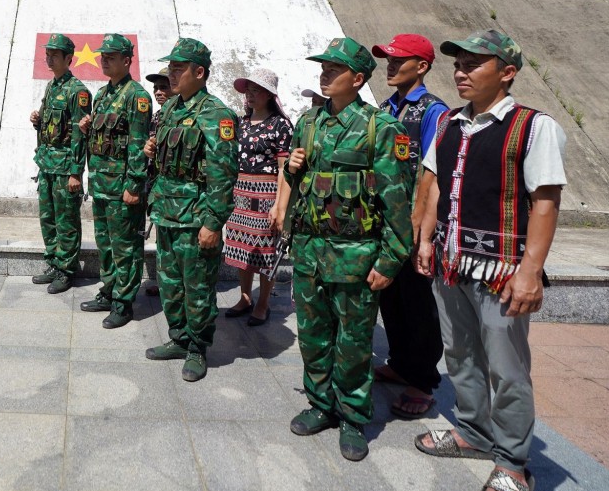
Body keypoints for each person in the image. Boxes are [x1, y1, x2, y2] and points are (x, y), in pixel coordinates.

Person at [413, 30, 566, 491]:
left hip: (502, 270)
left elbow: (545, 201)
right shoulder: (449, 124)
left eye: (474, 63)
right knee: (459, 354)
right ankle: (474, 431)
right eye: (458, 63)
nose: (461, 70)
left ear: (507, 71)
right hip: (451, 263)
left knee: (507, 367)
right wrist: (425, 239)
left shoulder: (532, 127)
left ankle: (514, 460)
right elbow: (435, 186)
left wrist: (530, 271)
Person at [275, 37, 412, 462]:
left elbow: (397, 202)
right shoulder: (308, 123)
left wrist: (391, 260)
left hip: (355, 255)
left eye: (335, 69)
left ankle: (353, 415)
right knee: (313, 336)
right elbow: (302, 185)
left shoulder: (382, 128)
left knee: (353, 342)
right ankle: (321, 405)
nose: (325, 74)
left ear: (357, 78)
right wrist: (291, 169)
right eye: (324, 67)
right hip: (310, 252)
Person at [142, 38, 238, 382]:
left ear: (200, 72)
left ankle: (198, 348)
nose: (172, 73)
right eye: (171, 67)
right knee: (170, 284)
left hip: (196, 217)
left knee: (197, 288)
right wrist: (154, 150)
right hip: (166, 212)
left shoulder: (216, 114)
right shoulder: (171, 109)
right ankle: (179, 338)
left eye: (178, 68)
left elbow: (223, 173)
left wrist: (213, 222)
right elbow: (169, 157)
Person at [370, 34, 449, 419]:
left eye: (398, 59)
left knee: (418, 303)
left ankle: (423, 379)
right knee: (391, 297)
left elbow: (431, 174)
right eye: (387, 58)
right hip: (385, 224)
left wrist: (420, 229)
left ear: (421, 66)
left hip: (413, 225)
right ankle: (400, 362)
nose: (389, 64)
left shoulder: (435, 111)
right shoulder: (387, 107)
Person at [77, 33, 151, 329]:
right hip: (102, 186)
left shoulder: (137, 96)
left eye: (110, 56)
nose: (103, 60)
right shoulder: (102, 95)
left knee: (126, 248)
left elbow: (138, 144)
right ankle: (108, 291)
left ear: (126, 60)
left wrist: (133, 186)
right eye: (102, 56)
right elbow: (103, 139)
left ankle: (124, 302)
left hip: (123, 189)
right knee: (105, 243)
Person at [222, 69, 292, 326]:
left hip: (266, 194)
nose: (250, 95)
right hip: (240, 192)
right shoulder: (241, 122)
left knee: (265, 251)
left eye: (256, 90)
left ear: (270, 94)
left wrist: (278, 205)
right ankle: (244, 297)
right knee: (241, 248)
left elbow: (285, 168)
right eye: (248, 90)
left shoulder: (281, 125)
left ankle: (263, 302)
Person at [29, 34, 91, 294]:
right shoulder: (51, 86)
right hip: (47, 164)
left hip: (66, 167)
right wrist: (38, 121)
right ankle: (54, 263)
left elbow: (79, 134)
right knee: (49, 218)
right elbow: (54, 125)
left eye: (55, 54)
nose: (49, 58)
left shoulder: (78, 91)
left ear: (69, 58)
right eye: (48, 53)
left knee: (66, 220)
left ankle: (67, 269)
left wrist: (76, 172)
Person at [142, 66, 172, 296]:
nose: (159, 92)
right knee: (162, 240)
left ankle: (173, 288)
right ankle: (165, 285)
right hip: (157, 186)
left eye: (164, 87)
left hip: (174, 190)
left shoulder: (177, 117)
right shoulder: (157, 116)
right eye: (156, 88)